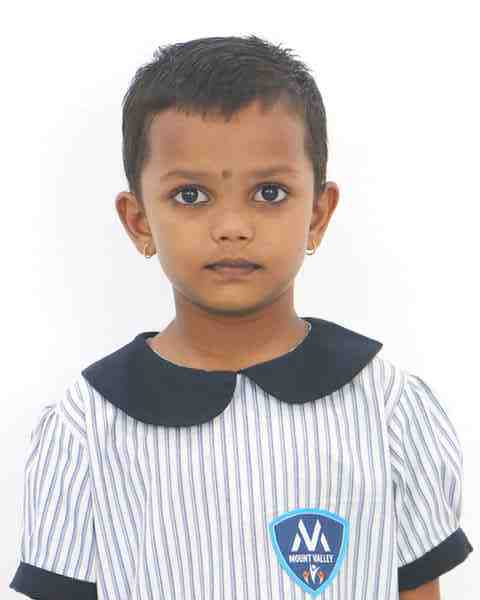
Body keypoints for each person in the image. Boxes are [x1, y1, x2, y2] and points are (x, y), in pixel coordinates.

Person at [9, 35, 473, 600]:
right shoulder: (86, 428)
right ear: (139, 222)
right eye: (190, 195)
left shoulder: (389, 409)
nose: (232, 226)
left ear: (318, 214)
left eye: (269, 192)